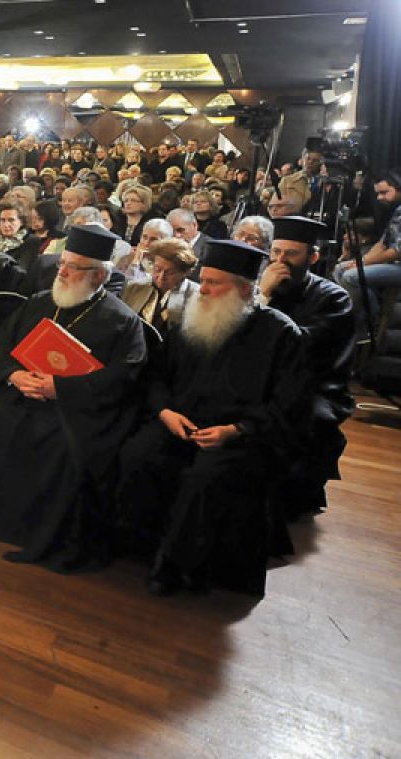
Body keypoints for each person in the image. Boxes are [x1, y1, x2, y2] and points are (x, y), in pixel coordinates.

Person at [116, 239, 309, 597]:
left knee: (203, 478)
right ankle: (137, 547)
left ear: (244, 289)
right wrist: (165, 412)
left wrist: (236, 430)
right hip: (180, 423)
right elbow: (156, 377)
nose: (202, 289)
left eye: (213, 283)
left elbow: (289, 405)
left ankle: (175, 566)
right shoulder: (192, 320)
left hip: (240, 436)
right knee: (137, 454)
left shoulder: (281, 334)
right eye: (203, 280)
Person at [0, 224, 147, 571]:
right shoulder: (41, 301)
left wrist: (60, 389)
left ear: (100, 275)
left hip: (75, 407)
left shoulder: (123, 321)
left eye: (74, 267)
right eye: (62, 264)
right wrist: (13, 374)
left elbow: (125, 375)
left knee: (62, 444)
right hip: (21, 391)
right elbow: (5, 343)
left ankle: (37, 537)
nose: (63, 272)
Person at [259, 216, 355, 516]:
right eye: (275, 252)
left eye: (291, 254)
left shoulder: (334, 298)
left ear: (312, 257)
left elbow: (299, 346)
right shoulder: (262, 286)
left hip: (315, 384)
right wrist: (262, 295)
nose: (280, 261)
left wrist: (264, 300)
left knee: (299, 420)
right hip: (263, 377)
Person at [335, 171, 401, 317]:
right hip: (394, 264)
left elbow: (398, 251)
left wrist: (363, 263)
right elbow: (382, 244)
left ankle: (371, 318)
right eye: (378, 194)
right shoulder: (394, 211)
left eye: (384, 192)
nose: (379, 198)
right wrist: (361, 261)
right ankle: (360, 315)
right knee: (340, 269)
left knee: (351, 276)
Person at [121, 238, 198, 335]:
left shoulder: (195, 298)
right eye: (157, 269)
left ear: (184, 272)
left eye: (170, 272)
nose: (161, 277)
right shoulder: (134, 287)